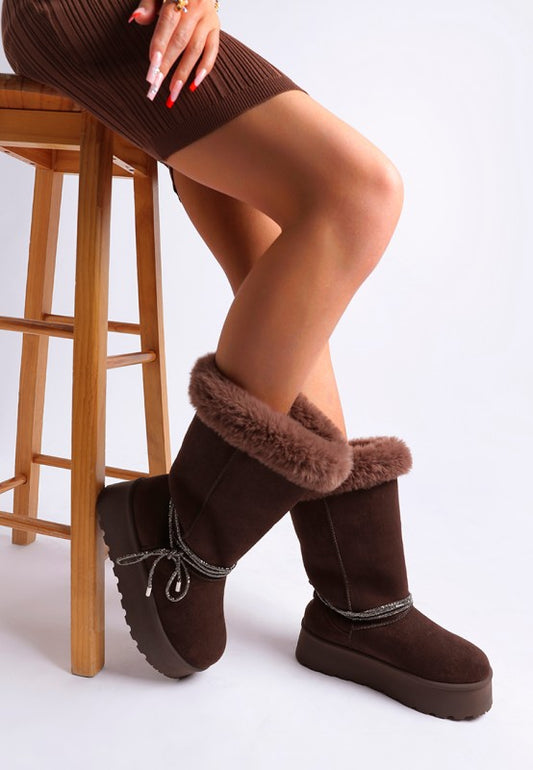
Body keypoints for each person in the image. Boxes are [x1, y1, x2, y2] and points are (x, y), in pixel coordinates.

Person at [2, 0, 492, 719]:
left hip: (147, 19)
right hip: (86, 13)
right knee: (357, 193)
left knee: (293, 263)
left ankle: (358, 598)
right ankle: (183, 537)